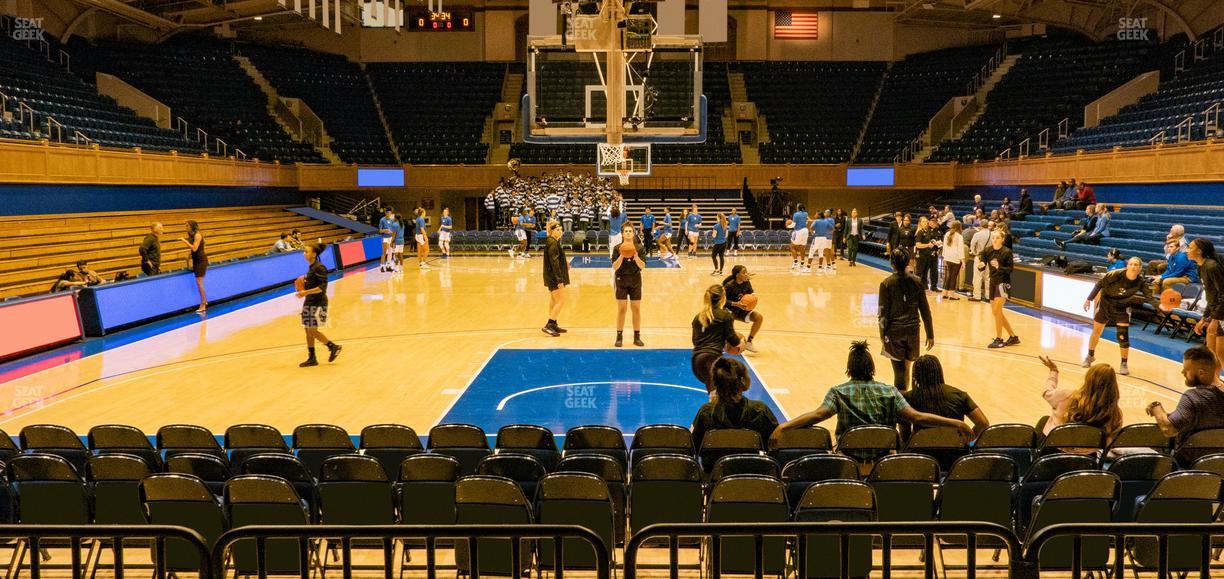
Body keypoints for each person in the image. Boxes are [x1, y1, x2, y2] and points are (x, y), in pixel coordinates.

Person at [769, 341, 974, 441]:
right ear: (872, 368)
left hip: (850, 456)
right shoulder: (890, 392)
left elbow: (817, 415)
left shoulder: (838, 392)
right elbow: (917, 417)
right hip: (885, 456)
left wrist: (784, 426)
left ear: (850, 369)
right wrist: (956, 423)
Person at [1146, 346, 1224, 465]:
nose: (1182, 372)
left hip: (1191, 463)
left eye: (1186, 370)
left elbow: (1168, 429)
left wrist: (1156, 407)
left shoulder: (1193, 397)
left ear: (1201, 373)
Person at [691, 357, 778, 450]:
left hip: (714, 460)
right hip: (749, 459)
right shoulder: (760, 410)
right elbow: (775, 444)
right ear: (743, 381)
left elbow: (693, 446)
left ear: (716, 383)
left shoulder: (706, 412)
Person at [1037, 355, 1123, 448]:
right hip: (1089, 455)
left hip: (1055, 449)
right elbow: (1109, 442)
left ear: (1088, 379)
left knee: (1044, 421)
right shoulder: (1114, 412)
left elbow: (1048, 392)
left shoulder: (1067, 396)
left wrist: (1054, 371)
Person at [879, 249, 934, 390]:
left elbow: (882, 313)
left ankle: (901, 400)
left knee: (899, 371)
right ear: (908, 262)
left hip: (894, 332)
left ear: (892, 263)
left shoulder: (886, 284)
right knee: (907, 368)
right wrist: (930, 334)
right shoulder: (917, 281)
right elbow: (925, 310)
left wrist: (882, 334)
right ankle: (907, 398)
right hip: (912, 331)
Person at [1082, 257, 1145, 375]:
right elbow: (1099, 285)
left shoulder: (1141, 282)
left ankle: (1124, 363)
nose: (1133, 266)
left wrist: (1160, 306)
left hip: (1122, 307)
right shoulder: (1115, 274)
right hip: (1105, 304)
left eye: (1136, 265)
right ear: (1127, 266)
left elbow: (1150, 298)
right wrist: (1089, 299)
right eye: (1131, 264)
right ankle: (1090, 356)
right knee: (1096, 332)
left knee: (1123, 335)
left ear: (1140, 268)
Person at [905, 355, 990, 436]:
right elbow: (983, 423)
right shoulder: (959, 395)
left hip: (920, 445)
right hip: (955, 445)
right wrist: (967, 439)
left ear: (915, 375)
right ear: (939, 371)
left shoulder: (909, 397)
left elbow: (905, 435)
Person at [296, 242, 342, 367]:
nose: (304, 254)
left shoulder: (319, 267)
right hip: (309, 301)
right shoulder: (311, 267)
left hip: (319, 303)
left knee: (312, 331)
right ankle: (312, 357)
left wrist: (305, 292)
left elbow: (322, 288)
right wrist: (303, 286)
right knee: (307, 330)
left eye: (306, 251)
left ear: (314, 254)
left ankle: (333, 347)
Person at [692, 284, 741, 393]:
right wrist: (741, 342)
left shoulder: (698, 317)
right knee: (719, 394)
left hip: (696, 361)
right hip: (711, 359)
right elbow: (733, 340)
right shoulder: (725, 315)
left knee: (716, 393)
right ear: (723, 298)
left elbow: (695, 341)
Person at [1187, 238, 1224, 366]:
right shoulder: (1201, 267)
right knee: (1211, 354)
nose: (1187, 250)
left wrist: (1215, 320)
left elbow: (1223, 294)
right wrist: (1204, 318)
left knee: (1221, 354)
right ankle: (1215, 378)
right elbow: (1211, 296)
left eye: (1190, 247)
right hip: (1216, 312)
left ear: (1199, 251)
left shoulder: (1212, 266)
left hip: (1221, 313)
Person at [981, 230, 1019, 348]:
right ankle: (1013, 336)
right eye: (993, 237)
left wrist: (999, 267)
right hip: (993, 282)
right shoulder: (987, 250)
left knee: (997, 311)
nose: (995, 240)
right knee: (995, 312)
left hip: (1003, 283)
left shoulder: (1007, 252)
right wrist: (981, 265)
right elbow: (982, 261)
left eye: (997, 238)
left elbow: (1010, 269)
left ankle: (999, 339)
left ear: (1002, 239)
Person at [612, 223, 646, 347]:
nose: (627, 233)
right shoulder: (617, 248)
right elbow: (614, 266)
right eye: (625, 231)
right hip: (621, 279)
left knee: (636, 308)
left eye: (630, 231)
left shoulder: (639, 248)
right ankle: (619, 336)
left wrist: (635, 257)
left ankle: (637, 336)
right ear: (622, 234)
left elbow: (642, 266)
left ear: (633, 233)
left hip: (635, 279)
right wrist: (622, 255)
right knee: (622, 309)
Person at [723, 265, 763, 353]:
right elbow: (722, 300)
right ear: (737, 275)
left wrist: (753, 299)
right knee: (729, 319)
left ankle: (749, 342)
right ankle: (726, 343)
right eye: (744, 272)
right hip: (729, 310)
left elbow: (751, 294)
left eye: (746, 272)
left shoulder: (747, 282)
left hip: (741, 310)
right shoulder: (729, 285)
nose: (746, 274)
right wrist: (736, 304)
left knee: (758, 317)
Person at [542, 221, 569, 337]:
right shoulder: (553, 243)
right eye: (557, 230)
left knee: (554, 301)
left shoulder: (552, 241)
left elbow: (556, 258)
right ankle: (549, 324)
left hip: (550, 276)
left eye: (561, 229)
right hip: (554, 277)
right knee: (560, 301)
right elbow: (554, 263)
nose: (560, 231)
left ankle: (554, 324)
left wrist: (565, 261)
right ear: (552, 231)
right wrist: (559, 280)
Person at [181, 220, 208, 313]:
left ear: (192, 226)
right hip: (196, 261)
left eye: (187, 225)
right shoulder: (192, 235)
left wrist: (185, 241)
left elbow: (194, 248)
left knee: (199, 283)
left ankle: (203, 304)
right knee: (199, 283)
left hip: (201, 261)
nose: (186, 227)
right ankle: (204, 301)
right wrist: (189, 256)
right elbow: (195, 249)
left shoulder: (197, 235)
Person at [913, 216, 940, 291]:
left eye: (926, 221)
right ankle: (915, 288)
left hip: (927, 254)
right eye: (923, 221)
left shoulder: (927, 231)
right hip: (921, 255)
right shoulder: (919, 232)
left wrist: (933, 243)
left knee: (925, 273)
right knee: (919, 272)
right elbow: (918, 245)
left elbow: (929, 241)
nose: (925, 223)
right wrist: (928, 245)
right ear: (920, 223)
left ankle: (924, 287)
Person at [941, 222, 964, 301]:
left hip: (947, 257)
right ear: (959, 227)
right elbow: (960, 249)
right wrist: (963, 261)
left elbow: (944, 247)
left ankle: (944, 293)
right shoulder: (959, 236)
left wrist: (944, 257)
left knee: (949, 276)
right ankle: (951, 295)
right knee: (953, 277)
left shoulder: (947, 234)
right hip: (955, 258)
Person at [790, 204, 810, 271]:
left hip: (799, 231)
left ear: (798, 208)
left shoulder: (796, 214)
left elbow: (793, 224)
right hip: (805, 231)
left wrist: (788, 226)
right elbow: (806, 222)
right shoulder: (806, 213)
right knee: (802, 247)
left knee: (792, 247)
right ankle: (802, 263)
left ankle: (795, 262)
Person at [378, 207, 397, 272]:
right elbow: (380, 230)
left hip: (390, 238)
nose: (388, 214)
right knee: (384, 252)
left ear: (391, 213)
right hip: (385, 238)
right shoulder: (382, 220)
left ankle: (388, 266)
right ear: (385, 213)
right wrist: (385, 230)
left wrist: (392, 232)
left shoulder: (392, 220)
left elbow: (393, 229)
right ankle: (382, 266)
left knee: (390, 252)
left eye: (389, 212)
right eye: (387, 212)